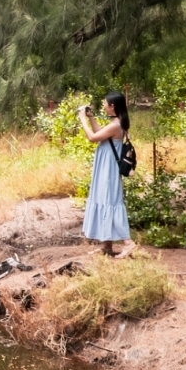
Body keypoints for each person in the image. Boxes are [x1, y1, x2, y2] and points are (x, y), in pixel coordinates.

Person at [78, 91, 131, 255]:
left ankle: (128, 243)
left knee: (110, 201)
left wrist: (82, 120)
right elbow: (102, 135)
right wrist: (91, 118)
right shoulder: (116, 122)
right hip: (106, 167)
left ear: (112, 106)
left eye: (105, 103)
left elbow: (93, 137)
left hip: (109, 169)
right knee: (105, 199)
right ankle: (107, 247)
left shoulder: (116, 124)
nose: (103, 106)